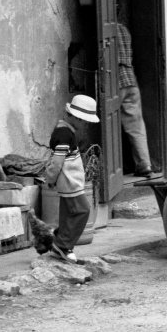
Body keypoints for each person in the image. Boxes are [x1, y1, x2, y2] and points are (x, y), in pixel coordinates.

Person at [45, 94, 99, 263]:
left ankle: (60, 242)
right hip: (69, 182)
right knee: (83, 210)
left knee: (68, 213)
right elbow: (56, 162)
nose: (85, 124)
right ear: (75, 117)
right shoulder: (64, 135)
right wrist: (51, 179)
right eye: (84, 121)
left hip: (70, 181)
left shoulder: (66, 132)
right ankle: (62, 244)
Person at [116, 9, 154, 177]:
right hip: (130, 80)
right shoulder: (124, 30)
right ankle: (144, 164)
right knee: (136, 127)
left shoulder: (105, 32)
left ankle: (111, 172)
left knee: (108, 127)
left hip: (114, 81)